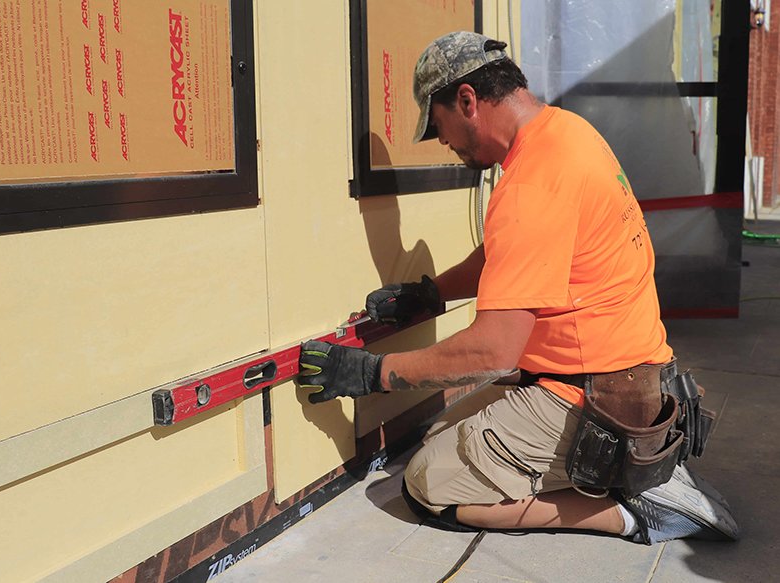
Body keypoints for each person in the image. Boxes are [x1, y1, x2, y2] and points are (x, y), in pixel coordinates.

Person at [298, 31, 738, 544]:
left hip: (596, 399)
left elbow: (493, 350)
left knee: (427, 483)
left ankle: (639, 509)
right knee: (443, 436)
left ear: (467, 101)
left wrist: (376, 373)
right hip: (625, 377)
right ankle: (629, 473)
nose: (444, 143)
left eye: (439, 126)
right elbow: (504, 255)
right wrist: (432, 292)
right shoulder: (567, 133)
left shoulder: (531, 181)